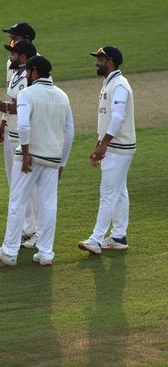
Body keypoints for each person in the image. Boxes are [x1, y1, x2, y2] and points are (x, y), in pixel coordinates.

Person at [0, 56, 74, 266]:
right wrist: (62, 162)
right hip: (52, 159)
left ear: (35, 72)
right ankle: (46, 254)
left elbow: (23, 126)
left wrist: (26, 154)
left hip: (29, 158)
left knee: (17, 202)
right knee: (48, 205)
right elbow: (70, 132)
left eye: (28, 71)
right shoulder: (63, 96)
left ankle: (9, 251)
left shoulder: (27, 93)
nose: (25, 74)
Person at [78, 46, 135, 254]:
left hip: (119, 148)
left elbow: (118, 117)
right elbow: (107, 119)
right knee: (119, 192)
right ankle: (119, 237)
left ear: (110, 61)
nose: (96, 62)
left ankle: (96, 239)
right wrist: (99, 144)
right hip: (114, 146)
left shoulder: (119, 85)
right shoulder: (109, 83)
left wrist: (104, 145)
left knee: (108, 193)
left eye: (99, 59)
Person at [0, 40, 39, 248]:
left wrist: (6, 107)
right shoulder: (17, 74)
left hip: (23, 139)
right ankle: (27, 229)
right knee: (16, 186)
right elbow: (12, 100)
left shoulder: (31, 78)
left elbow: (25, 107)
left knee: (28, 188)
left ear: (22, 57)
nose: (9, 57)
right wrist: (3, 120)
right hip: (12, 136)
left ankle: (35, 231)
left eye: (13, 53)